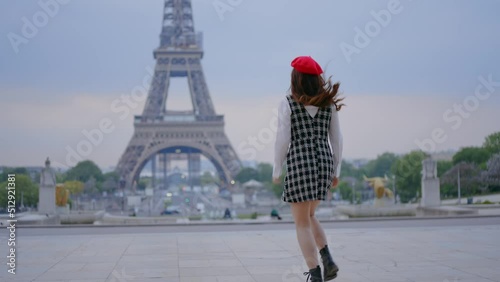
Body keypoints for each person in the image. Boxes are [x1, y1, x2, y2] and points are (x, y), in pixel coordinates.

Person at [273, 56, 343, 282]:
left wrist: (276, 169)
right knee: (310, 215)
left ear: (296, 79)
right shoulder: (328, 105)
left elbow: (282, 140)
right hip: (323, 162)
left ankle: (315, 274)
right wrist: (336, 171)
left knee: (301, 222)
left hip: (300, 163)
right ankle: (328, 259)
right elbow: (337, 139)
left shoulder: (287, 103)